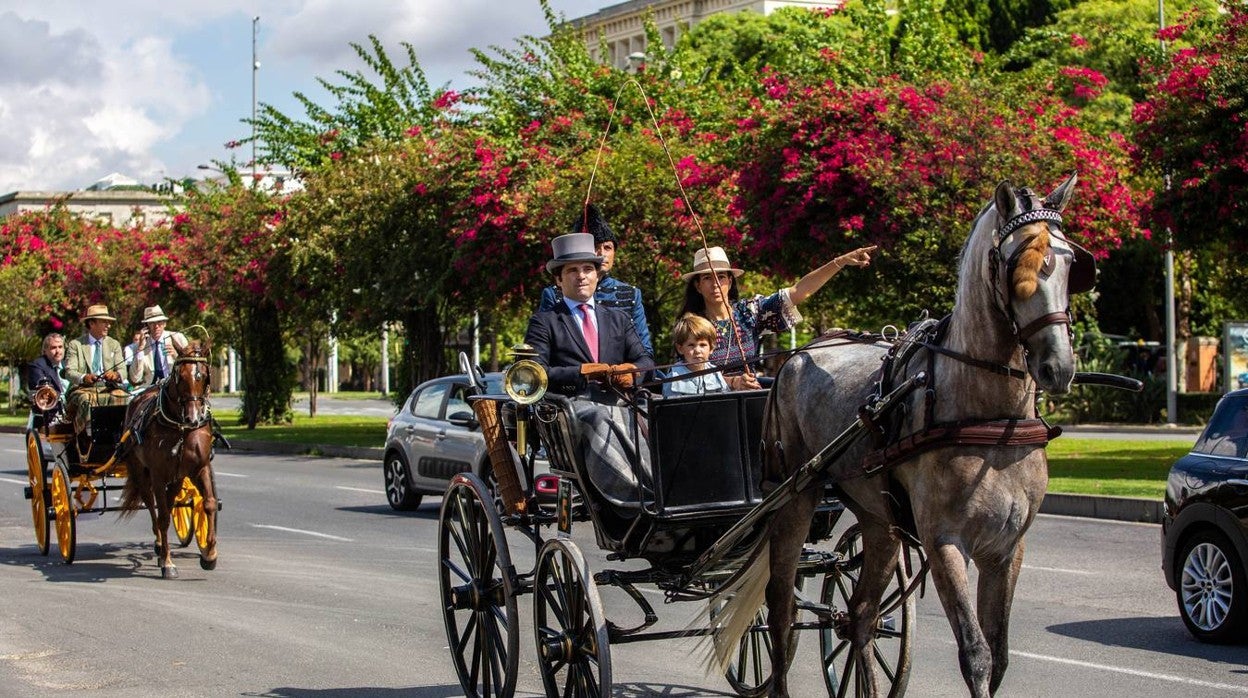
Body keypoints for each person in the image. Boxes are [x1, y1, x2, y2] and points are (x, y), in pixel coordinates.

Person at [524, 232, 654, 505]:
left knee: (662, 410)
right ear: (559, 280)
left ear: (597, 275)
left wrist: (631, 371)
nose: (581, 276)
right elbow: (535, 373)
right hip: (573, 407)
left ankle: (667, 487)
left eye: (587, 269)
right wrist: (581, 372)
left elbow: (646, 361)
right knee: (600, 416)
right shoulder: (545, 322)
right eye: (572, 270)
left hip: (622, 400)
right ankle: (634, 496)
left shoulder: (619, 319)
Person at [676, 244, 877, 390]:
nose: (715, 284)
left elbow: (799, 291)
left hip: (750, 397)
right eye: (707, 278)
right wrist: (733, 382)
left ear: (730, 281)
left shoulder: (749, 312)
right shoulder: (691, 325)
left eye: (721, 277)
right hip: (708, 405)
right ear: (698, 286)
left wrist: (839, 262)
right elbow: (688, 374)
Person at [538, 204, 653, 355]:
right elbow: (543, 350)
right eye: (596, 247)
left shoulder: (631, 294)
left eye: (608, 248)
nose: (602, 254)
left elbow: (644, 351)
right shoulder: (554, 294)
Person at [63, 304, 139, 437]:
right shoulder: (76, 345)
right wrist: (84, 377)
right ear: (91, 323)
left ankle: (119, 435)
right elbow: (69, 371)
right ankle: (88, 435)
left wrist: (116, 375)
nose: (108, 326)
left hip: (108, 388)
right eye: (104, 322)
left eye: (109, 322)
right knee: (87, 400)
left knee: (124, 397)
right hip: (83, 389)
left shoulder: (114, 344)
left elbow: (123, 371)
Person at [663, 313, 728, 397]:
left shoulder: (716, 374)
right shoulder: (673, 378)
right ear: (680, 349)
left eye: (702, 345)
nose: (697, 351)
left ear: (711, 348)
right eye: (691, 345)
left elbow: (726, 400)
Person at [128, 304, 189, 388]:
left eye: (159, 322)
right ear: (147, 326)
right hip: (150, 388)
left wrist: (176, 356)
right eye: (152, 323)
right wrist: (140, 350)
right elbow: (135, 378)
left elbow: (189, 368)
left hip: (174, 386)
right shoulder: (140, 346)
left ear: (165, 324)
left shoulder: (178, 338)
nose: (156, 326)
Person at [25, 332, 67, 397]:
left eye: (60, 347)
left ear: (64, 349)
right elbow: (43, 393)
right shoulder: (37, 366)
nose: (58, 351)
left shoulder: (68, 365)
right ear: (45, 351)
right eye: (53, 348)